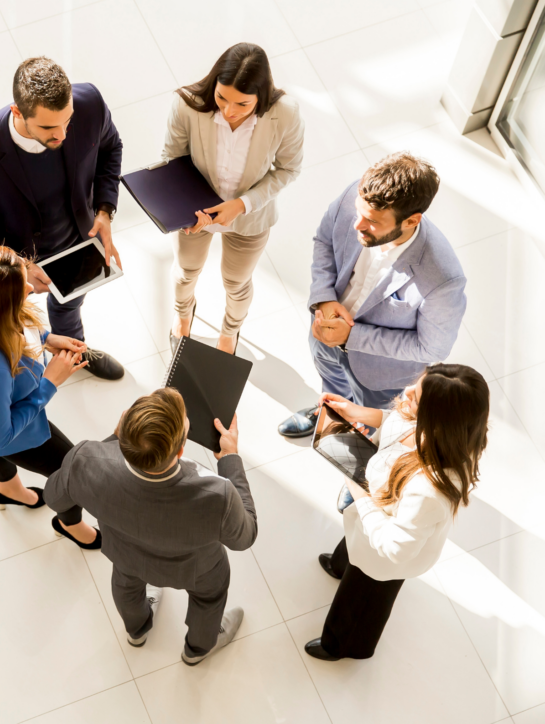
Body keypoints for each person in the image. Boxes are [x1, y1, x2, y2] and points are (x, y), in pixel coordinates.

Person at [44, 388, 257, 664]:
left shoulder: (83, 462)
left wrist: (112, 441)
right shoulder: (219, 496)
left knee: (126, 587)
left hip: (126, 556)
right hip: (197, 571)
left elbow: (53, 496)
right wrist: (230, 459)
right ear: (181, 450)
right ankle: (197, 649)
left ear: (123, 428)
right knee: (209, 600)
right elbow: (245, 537)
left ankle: (137, 631)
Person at [0, 56, 125, 381]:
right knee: (9, 324)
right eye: (47, 127)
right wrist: (17, 264)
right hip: (15, 254)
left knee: (69, 305)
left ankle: (74, 351)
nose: (63, 135)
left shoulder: (90, 104)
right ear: (17, 112)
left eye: (67, 122)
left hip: (78, 240)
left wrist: (104, 211)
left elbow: (111, 148)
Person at [305, 363, 489, 660]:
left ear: (436, 420)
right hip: (372, 520)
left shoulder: (430, 491)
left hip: (384, 551)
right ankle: (342, 565)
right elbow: (399, 421)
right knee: (354, 551)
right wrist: (358, 412)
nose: (405, 394)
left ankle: (343, 645)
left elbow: (394, 549)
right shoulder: (441, 426)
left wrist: (358, 489)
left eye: (415, 397)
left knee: (364, 596)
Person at [278, 152, 467, 438]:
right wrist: (325, 297)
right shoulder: (357, 198)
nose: (357, 225)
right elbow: (324, 241)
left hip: (380, 376)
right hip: (324, 335)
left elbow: (432, 349)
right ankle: (328, 415)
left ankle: (358, 459)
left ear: (411, 221)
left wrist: (350, 337)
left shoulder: (442, 278)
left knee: (369, 428)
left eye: (373, 222)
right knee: (331, 386)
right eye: (359, 213)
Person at [0, 244, 101, 548]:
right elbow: (1, 438)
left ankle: (9, 491)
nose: (29, 287)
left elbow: (20, 327)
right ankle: (71, 526)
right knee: (69, 473)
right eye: (18, 289)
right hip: (15, 427)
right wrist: (49, 382)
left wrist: (47, 338)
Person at [162, 43, 304, 354]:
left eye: (242, 104)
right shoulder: (187, 105)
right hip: (195, 213)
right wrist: (184, 210)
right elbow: (172, 160)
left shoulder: (286, 114)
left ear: (261, 97)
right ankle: (183, 314)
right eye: (222, 97)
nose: (229, 111)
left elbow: (288, 168)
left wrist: (242, 205)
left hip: (250, 217)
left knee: (236, 283)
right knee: (186, 271)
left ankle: (230, 332)